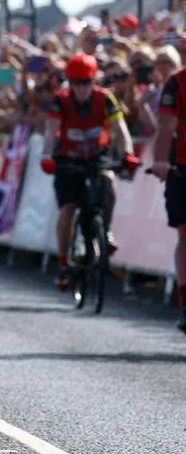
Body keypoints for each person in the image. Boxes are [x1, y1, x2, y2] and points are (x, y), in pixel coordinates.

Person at [40, 54, 139, 292]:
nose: (81, 88)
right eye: (76, 83)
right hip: (68, 160)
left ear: (93, 81)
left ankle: (106, 231)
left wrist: (128, 153)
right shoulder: (60, 101)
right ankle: (64, 263)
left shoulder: (106, 99)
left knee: (109, 182)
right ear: (70, 83)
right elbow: (50, 131)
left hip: (96, 157)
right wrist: (46, 156)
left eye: (85, 82)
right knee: (67, 211)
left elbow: (120, 129)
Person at [151, 61, 186, 331]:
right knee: (185, 233)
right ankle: (185, 302)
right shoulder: (177, 82)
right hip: (182, 167)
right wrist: (161, 160)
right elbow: (166, 125)